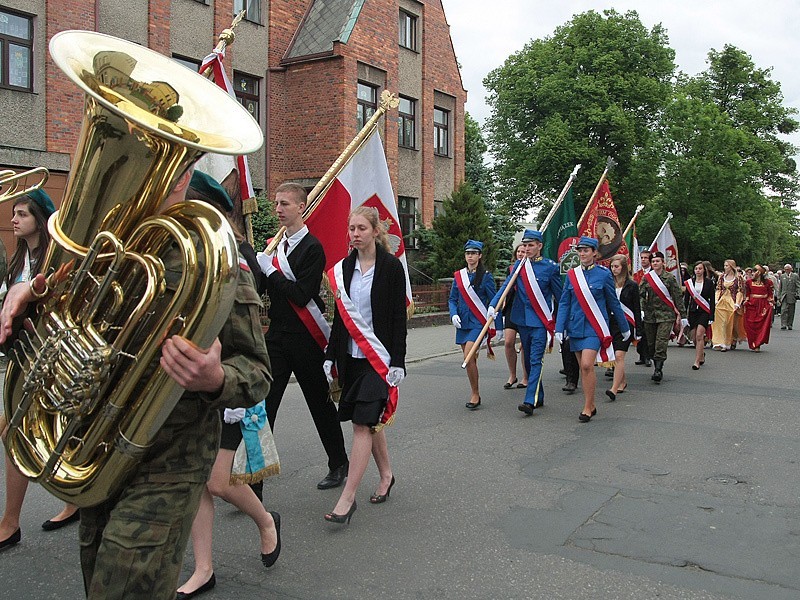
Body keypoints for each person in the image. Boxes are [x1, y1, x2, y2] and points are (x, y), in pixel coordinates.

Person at [0, 165, 272, 599]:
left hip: (170, 454)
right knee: (97, 570)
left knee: (124, 583)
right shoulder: (100, 252)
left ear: (180, 182)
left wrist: (216, 377)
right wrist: (28, 304)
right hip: (99, 450)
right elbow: (65, 333)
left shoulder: (218, 269)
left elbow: (257, 372)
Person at [176, 171, 280, 599]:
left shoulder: (236, 260)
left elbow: (252, 353)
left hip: (228, 390)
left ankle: (266, 521)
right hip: (183, 394)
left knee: (217, 482)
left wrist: (221, 378)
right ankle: (203, 568)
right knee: (197, 482)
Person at [0, 189, 80, 551]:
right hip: (21, 355)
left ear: (39, 219)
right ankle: (70, 501)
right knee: (29, 433)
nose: (14, 220)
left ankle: (11, 522)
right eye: (14, 213)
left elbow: (57, 291)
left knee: (16, 433)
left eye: (22, 214)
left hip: (49, 355)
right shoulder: (17, 258)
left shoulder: (53, 256)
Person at [257, 182, 349, 490]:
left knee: (320, 405)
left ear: (301, 207)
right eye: (277, 203)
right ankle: (253, 480)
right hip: (277, 337)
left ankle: (339, 463)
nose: (279, 209)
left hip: (306, 339)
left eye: (285, 204)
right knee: (264, 407)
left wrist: (270, 272)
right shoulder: (275, 247)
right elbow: (261, 292)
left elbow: (301, 295)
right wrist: (256, 272)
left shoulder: (312, 249)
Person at [322, 206, 407, 524]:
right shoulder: (343, 269)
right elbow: (340, 320)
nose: (354, 233)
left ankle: (347, 498)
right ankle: (386, 475)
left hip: (379, 360)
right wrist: (331, 355)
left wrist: (398, 361)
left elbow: (399, 318)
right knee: (370, 422)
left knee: (361, 424)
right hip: (352, 358)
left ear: (375, 231)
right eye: (351, 228)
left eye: (361, 228)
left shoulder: (390, 268)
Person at [489, 229, 562, 416]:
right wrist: (493, 305)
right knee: (529, 361)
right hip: (522, 320)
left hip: (540, 321)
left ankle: (529, 401)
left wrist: (561, 324)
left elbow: (560, 297)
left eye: (531, 245)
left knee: (536, 359)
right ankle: (540, 394)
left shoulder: (551, 267)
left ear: (539, 246)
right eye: (525, 245)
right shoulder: (517, 267)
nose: (527, 249)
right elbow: (505, 287)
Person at [555, 237, 629, 422]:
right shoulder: (572, 275)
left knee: (588, 364)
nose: (582, 254)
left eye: (586, 250)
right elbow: (565, 302)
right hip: (575, 326)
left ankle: (587, 406)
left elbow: (613, 302)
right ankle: (592, 404)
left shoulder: (604, 275)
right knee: (583, 367)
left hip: (595, 327)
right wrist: (559, 327)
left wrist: (625, 328)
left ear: (595, 253)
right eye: (580, 251)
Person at [449, 239, 496, 409]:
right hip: (463, 323)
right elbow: (453, 299)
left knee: (468, 357)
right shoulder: (458, 276)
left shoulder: (486, 276)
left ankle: (475, 394)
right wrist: (453, 314)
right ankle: (475, 389)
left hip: (478, 323)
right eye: (468, 253)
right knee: (471, 360)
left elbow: (494, 300)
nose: (470, 256)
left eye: (474, 253)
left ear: (480, 255)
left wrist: (497, 324)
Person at [639, 251, 686, 382]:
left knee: (661, 342)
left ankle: (658, 369)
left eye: (657, 261)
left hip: (666, 315)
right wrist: (641, 310)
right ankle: (656, 363)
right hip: (650, 315)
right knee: (651, 344)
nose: (655, 263)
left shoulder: (669, 278)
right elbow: (640, 294)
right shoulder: (647, 278)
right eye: (653, 261)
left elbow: (677, 297)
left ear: (663, 262)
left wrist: (683, 315)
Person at [606, 254, 641, 401]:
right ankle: (622, 381)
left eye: (617, 266)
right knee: (614, 355)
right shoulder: (607, 283)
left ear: (624, 268)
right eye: (612, 266)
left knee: (620, 355)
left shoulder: (631, 285)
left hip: (626, 323)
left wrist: (638, 329)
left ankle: (614, 389)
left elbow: (637, 308)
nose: (614, 269)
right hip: (610, 323)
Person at [502, 244, 528, 390]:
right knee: (508, 342)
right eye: (518, 251)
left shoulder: (531, 269)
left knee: (525, 344)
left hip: (526, 309)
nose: (520, 253)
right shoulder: (511, 269)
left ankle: (526, 376)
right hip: (512, 308)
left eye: (523, 251)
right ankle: (512, 375)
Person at [683, 261, 716, 369]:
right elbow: (686, 300)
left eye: (700, 268)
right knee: (693, 336)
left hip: (704, 312)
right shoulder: (689, 283)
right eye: (696, 268)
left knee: (699, 335)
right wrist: (683, 314)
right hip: (693, 311)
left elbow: (712, 300)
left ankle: (696, 362)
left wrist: (711, 315)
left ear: (703, 270)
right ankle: (701, 354)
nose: (698, 270)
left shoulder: (709, 283)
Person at [712, 259, 746, 350]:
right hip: (722, 301)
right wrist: (716, 300)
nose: (725, 267)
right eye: (724, 265)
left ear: (731, 267)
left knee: (729, 322)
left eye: (727, 266)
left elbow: (740, 291)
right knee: (720, 322)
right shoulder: (722, 277)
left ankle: (729, 340)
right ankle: (719, 342)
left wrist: (737, 303)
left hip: (732, 301)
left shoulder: (738, 278)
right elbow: (718, 289)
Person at [743, 265, 774, 351]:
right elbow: (747, 294)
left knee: (761, 325)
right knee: (751, 324)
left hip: (763, 305)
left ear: (759, 273)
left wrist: (771, 302)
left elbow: (770, 294)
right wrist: (746, 300)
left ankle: (758, 343)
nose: (752, 273)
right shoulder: (748, 282)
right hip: (752, 304)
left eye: (754, 271)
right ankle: (752, 341)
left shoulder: (768, 282)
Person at [634, 249, 653, 367]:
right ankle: (641, 355)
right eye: (642, 258)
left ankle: (647, 356)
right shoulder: (637, 274)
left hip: (650, 307)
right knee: (640, 331)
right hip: (638, 306)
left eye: (646, 258)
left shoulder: (653, 274)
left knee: (647, 333)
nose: (643, 260)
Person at [778, 263, 799, 330]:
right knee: (783, 310)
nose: (786, 270)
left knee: (791, 311)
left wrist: (798, 294)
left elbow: (798, 286)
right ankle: (783, 324)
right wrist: (779, 296)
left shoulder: (795, 276)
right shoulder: (782, 276)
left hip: (792, 296)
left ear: (791, 269)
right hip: (784, 296)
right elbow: (780, 287)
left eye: (788, 269)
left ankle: (789, 324)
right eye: (785, 269)